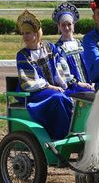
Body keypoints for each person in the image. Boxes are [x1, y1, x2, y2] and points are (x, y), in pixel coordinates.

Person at [15, 10, 75, 140]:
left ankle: (75, 130)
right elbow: (29, 81)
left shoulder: (49, 47)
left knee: (74, 94)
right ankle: (60, 136)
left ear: (36, 33)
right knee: (58, 97)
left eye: (28, 33)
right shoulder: (22, 55)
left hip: (53, 88)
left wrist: (64, 83)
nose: (25, 37)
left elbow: (60, 66)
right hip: (33, 92)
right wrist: (50, 87)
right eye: (23, 33)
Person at [52, 2, 94, 91]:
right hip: (73, 87)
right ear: (59, 27)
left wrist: (93, 82)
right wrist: (79, 83)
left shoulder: (81, 44)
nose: (67, 28)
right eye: (63, 25)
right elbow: (62, 73)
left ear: (73, 25)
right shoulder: (58, 49)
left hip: (90, 84)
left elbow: (90, 64)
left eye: (69, 24)